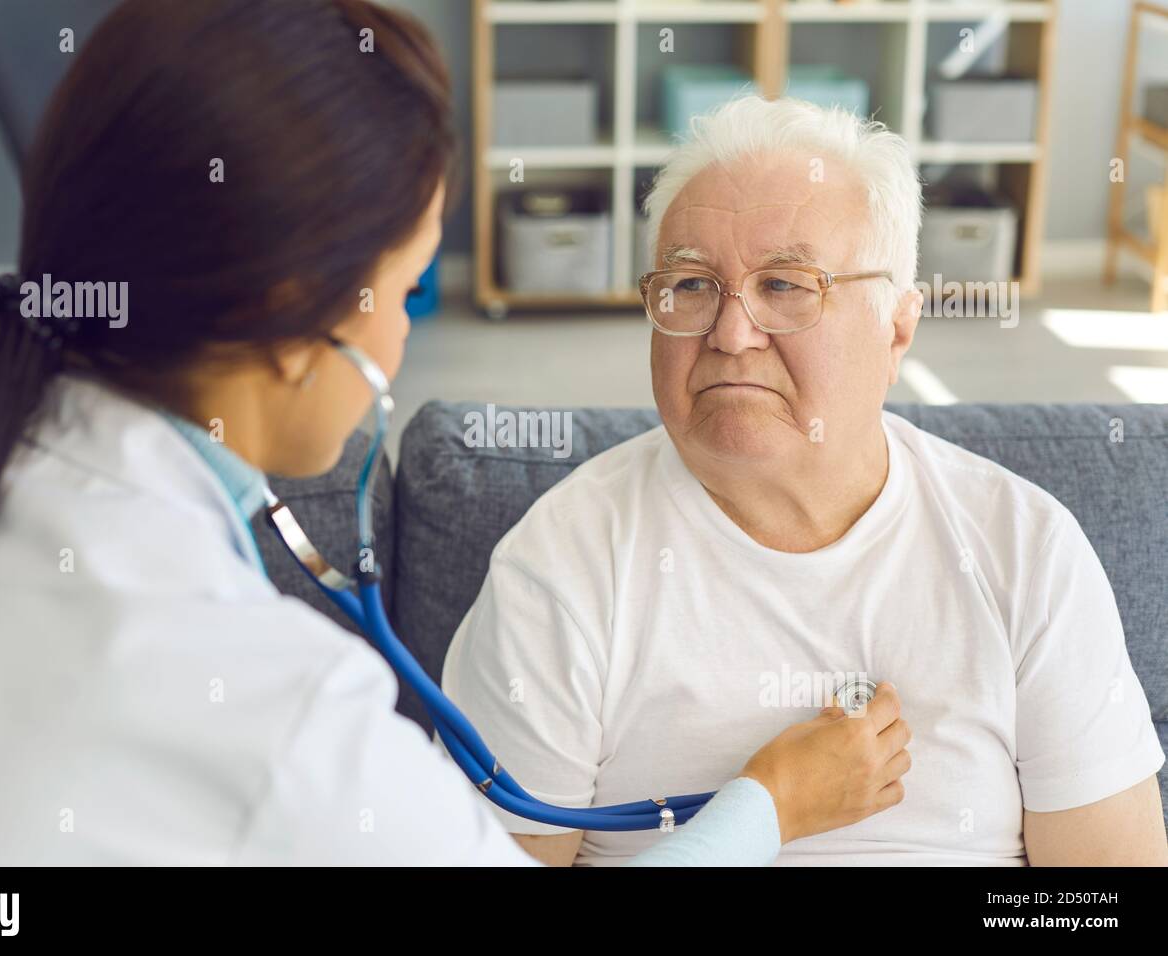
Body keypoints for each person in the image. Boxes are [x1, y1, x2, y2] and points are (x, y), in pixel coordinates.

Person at [0, 1, 909, 865]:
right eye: (407, 290)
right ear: (294, 313)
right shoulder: (277, 705)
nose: (400, 341)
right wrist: (771, 801)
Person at [442, 95, 1168, 867]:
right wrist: (763, 812)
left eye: (785, 285)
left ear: (897, 326)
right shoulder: (558, 570)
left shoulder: (1026, 551)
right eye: (690, 286)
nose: (729, 333)